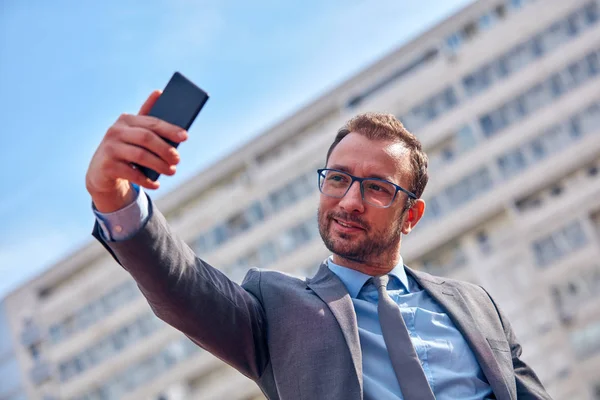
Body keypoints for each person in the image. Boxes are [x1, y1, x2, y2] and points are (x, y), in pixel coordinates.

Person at [87, 90, 552, 400]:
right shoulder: (276, 307)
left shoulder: (475, 304)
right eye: (338, 179)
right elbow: (185, 287)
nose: (349, 201)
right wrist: (115, 196)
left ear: (410, 215)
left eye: (376, 188)